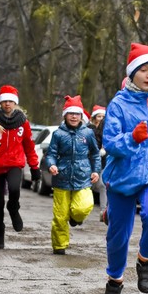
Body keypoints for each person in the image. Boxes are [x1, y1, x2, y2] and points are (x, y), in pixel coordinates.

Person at [100, 43, 148, 294]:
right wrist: (131, 138)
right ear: (132, 73)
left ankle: (145, 260)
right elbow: (109, 143)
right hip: (123, 173)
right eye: (143, 69)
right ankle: (115, 281)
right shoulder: (118, 104)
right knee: (118, 237)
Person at [0, 85, 40, 249]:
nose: (7, 104)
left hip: (15, 164)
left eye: (10, 101)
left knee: (15, 189)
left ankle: (14, 207)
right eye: (4, 101)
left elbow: (29, 146)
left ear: (15, 103)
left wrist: (34, 167)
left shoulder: (23, 122)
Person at [46, 95, 101, 254]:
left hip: (83, 176)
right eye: (71, 113)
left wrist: (96, 170)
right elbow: (51, 154)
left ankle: (76, 218)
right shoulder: (58, 134)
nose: (74, 116)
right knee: (60, 216)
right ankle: (59, 245)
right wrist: (52, 165)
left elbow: (95, 154)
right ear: (65, 115)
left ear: (81, 116)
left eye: (77, 114)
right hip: (61, 177)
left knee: (84, 206)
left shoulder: (88, 133)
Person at [88, 104, 107, 212]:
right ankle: (86, 205)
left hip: (103, 161)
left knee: (102, 185)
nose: (100, 119)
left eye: (102, 117)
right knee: (89, 185)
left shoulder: (106, 129)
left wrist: (104, 151)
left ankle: (103, 210)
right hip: (90, 161)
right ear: (94, 117)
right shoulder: (89, 129)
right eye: (99, 116)